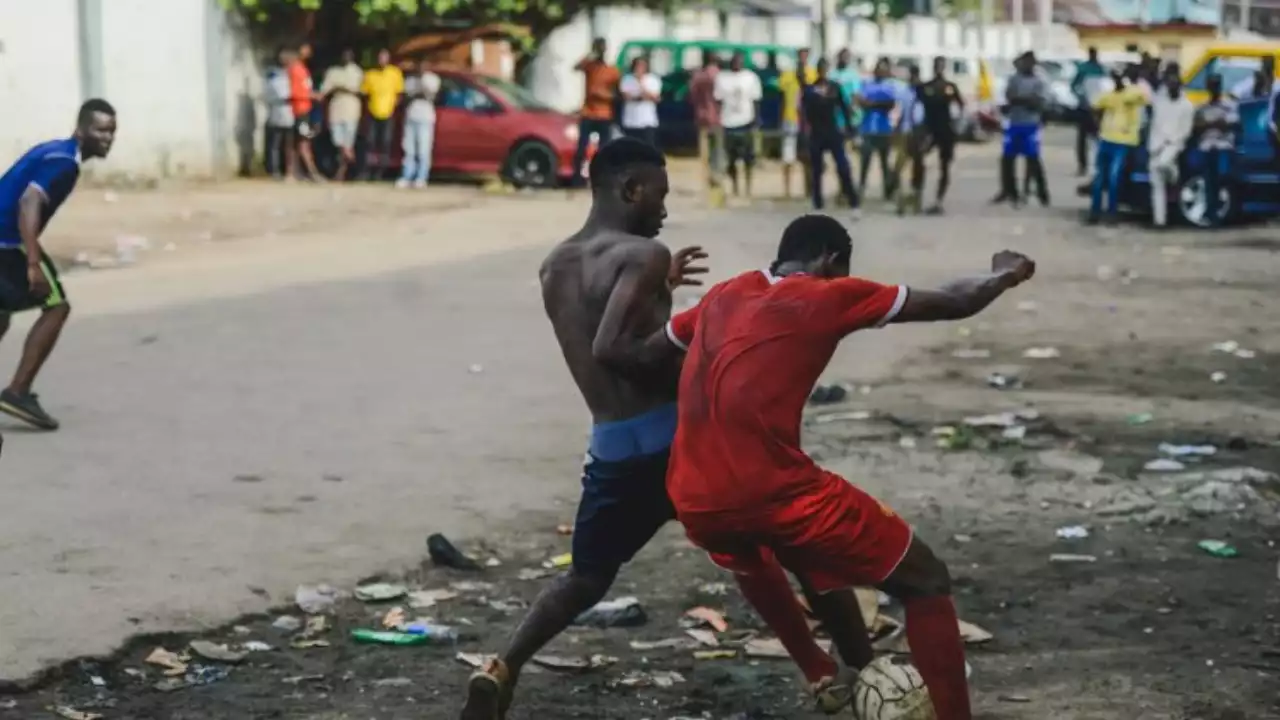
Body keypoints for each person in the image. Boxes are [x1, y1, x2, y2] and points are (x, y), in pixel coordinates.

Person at [660, 214, 1035, 720]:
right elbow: (955, 301)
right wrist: (1004, 274)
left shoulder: (724, 294)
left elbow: (649, 348)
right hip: (768, 490)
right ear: (830, 260)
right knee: (924, 578)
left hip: (693, 494)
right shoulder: (825, 294)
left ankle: (830, 674)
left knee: (805, 553)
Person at [458, 138, 707, 719]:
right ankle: (839, 668)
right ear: (630, 190)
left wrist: (660, 287)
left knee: (586, 578)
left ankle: (503, 667)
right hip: (675, 441)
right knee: (764, 536)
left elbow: (601, 323)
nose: (665, 212)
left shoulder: (555, 264)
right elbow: (617, 347)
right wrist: (699, 347)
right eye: (660, 197)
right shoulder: (642, 255)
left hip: (614, 445)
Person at [0, 99, 117, 430]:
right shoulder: (65, 163)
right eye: (101, 130)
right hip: (8, 242)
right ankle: (18, 392)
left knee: (1, 315)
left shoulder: (56, 151)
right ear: (81, 130)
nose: (107, 138)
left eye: (111, 132)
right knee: (56, 307)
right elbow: (29, 202)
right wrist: (33, 262)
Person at [1087, 64, 1148, 225]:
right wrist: (1096, 125)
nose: (1117, 80)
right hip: (1106, 138)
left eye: (1119, 77)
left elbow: (1143, 98)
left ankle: (1112, 212)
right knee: (1100, 178)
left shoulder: (1133, 92)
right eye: (1115, 77)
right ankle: (1095, 212)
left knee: (1114, 178)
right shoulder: (1109, 95)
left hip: (1123, 141)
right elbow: (1094, 106)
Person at [803, 59, 861, 217]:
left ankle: (854, 203)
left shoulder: (835, 88)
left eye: (825, 68)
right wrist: (804, 133)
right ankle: (818, 204)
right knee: (816, 170)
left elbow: (844, 108)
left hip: (833, 132)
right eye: (820, 69)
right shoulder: (810, 90)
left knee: (843, 167)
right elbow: (805, 113)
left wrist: (851, 128)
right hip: (816, 133)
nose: (823, 71)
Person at [995, 52, 1048, 207]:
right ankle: (1009, 191)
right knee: (1007, 159)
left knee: (1033, 160)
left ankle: (1041, 193)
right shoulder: (1014, 78)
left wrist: (1020, 100)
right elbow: (1010, 97)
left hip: (1031, 124)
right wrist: (1023, 100)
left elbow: (1037, 103)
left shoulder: (1039, 80)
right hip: (1014, 123)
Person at [1147, 66, 1194, 228]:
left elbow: (1185, 131)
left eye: (1175, 84)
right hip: (1156, 144)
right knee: (1156, 185)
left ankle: (1175, 179)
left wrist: (1170, 141)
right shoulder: (1160, 102)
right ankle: (1159, 221)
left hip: (1174, 144)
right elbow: (1155, 123)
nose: (1172, 86)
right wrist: (1155, 143)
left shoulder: (1187, 105)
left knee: (1164, 164)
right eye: (1169, 83)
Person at [571, 38, 621, 186]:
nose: (600, 51)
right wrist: (590, 54)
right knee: (581, 148)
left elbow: (618, 94)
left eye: (601, 48)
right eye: (597, 48)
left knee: (604, 149)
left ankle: (602, 178)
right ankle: (577, 179)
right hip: (588, 113)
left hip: (604, 114)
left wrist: (604, 95)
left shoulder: (612, 70)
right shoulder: (590, 67)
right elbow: (576, 67)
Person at [1193, 73, 1240, 228]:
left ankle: (1218, 210)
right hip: (1207, 147)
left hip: (1223, 147)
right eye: (1211, 85)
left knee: (1222, 177)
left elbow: (1232, 125)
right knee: (1208, 181)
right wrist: (1215, 124)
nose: (1214, 88)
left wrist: (1210, 124)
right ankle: (1211, 214)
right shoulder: (1201, 107)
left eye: (1216, 85)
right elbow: (1197, 127)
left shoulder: (1229, 105)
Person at [918, 55, 964, 214]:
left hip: (946, 130)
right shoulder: (925, 86)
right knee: (919, 161)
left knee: (944, 166)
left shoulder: (950, 86)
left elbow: (961, 106)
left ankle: (938, 200)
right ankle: (917, 195)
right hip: (929, 129)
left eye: (941, 65)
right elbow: (916, 106)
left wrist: (957, 127)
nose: (939, 68)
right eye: (937, 65)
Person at [715, 51, 762, 198]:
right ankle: (735, 186)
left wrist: (756, 119)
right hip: (728, 122)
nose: (737, 64)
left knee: (748, 157)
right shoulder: (722, 78)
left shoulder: (751, 77)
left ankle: (748, 187)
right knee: (731, 158)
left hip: (746, 121)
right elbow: (718, 100)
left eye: (739, 61)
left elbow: (756, 99)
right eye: (735, 61)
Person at [319, 48, 365, 182]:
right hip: (336, 109)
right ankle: (348, 156)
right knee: (338, 141)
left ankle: (342, 173)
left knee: (348, 141)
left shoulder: (357, 71)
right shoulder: (333, 72)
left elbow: (359, 89)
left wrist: (343, 88)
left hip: (351, 109)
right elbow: (325, 89)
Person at [778, 49, 817, 199]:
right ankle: (787, 191)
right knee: (788, 157)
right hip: (790, 119)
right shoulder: (787, 75)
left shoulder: (814, 74)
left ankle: (808, 190)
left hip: (807, 121)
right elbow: (781, 99)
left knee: (808, 156)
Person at [857, 58, 898, 201]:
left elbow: (890, 104)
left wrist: (872, 103)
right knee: (865, 162)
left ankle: (887, 192)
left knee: (884, 163)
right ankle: (861, 189)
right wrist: (877, 104)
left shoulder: (889, 86)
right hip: (867, 129)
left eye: (884, 69)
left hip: (883, 129)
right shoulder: (867, 84)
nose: (881, 72)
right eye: (879, 69)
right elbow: (860, 102)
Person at [397, 59, 441, 189]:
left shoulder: (433, 79)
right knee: (409, 148)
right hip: (411, 116)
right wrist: (415, 94)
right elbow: (405, 97)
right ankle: (407, 175)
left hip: (425, 117)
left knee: (423, 149)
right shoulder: (410, 81)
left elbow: (434, 96)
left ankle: (421, 177)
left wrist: (422, 92)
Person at [360, 49, 404, 181]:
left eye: (384, 58)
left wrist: (394, 107)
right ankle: (368, 170)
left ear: (388, 59)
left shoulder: (395, 73)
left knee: (385, 142)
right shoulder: (370, 74)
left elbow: (399, 94)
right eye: (380, 58)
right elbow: (365, 94)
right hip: (373, 113)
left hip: (388, 113)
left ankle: (381, 171)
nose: (382, 61)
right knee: (370, 142)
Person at [891, 65, 927, 216]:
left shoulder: (923, 93)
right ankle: (900, 199)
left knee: (918, 167)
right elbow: (899, 111)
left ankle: (916, 199)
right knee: (899, 167)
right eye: (912, 75)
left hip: (919, 133)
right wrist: (896, 128)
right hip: (906, 131)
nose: (914, 78)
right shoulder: (904, 92)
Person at [287, 42, 323, 182]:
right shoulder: (295, 69)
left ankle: (294, 172)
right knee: (303, 141)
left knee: (298, 141)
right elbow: (296, 92)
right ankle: (312, 171)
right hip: (299, 109)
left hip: (305, 109)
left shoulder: (303, 69)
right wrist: (312, 96)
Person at [688, 52, 723, 192]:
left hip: (702, 115)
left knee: (704, 150)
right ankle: (717, 175)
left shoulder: (698, 76)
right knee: (718, 148)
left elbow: (691, 96)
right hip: (717, 116)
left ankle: (706, 177)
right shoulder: (720, 75)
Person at [1070, 47, 1106, 177]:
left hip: (1098, 108)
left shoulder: (1101, 69)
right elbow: (1074, 86)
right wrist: (1081, 97)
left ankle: (1098, 164)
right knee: (1082, 138)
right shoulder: (1083, 68)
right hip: (1085, 107)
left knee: (1098, 138)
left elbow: (1105, 87)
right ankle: (1082, 165)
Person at [264, 48, 295, 179]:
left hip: (290, 111)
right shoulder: (273, 74)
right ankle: (274, 170)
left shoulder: (292, 73)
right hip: (278, 109)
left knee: (289, 143)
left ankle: (289, 170)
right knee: (275, 143)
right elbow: (279, 93)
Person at [619, 57, 662, 147]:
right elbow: (626, 96)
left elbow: (655, 98)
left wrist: (641, 85)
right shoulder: (627, 79)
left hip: (647, 120)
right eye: (638, 66)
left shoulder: (653, 79)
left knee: (648, 146)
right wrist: (641, 96)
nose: (640, 68)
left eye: (642, 66)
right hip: (631, 121)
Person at [830, 49, 864, 146]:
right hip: (837, 113)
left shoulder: (853, 74)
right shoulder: (832, 74)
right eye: (843, 56)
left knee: (855, 140)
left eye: (847, 57)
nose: (845, 59)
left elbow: (856, 93)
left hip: (851, 112)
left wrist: (853, 107)